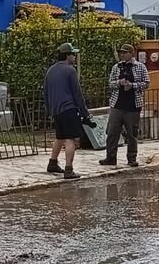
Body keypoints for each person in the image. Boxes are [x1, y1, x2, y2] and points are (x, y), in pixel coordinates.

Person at [43, 43, 94, 180]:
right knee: (70, 139)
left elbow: (46, 93)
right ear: (67, 56)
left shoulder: (50, 70)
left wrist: (49, 111)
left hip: (56, 110)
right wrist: (85, 113)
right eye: (73, 54)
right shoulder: (70, 70)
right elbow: (77, 94)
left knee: (59, 137)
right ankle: (69, 169)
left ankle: (52, 162)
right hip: (69, 108)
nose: (74, 56)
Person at [99, 44, 150, 167]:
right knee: (112, 133)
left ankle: (132, 158)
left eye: (125, 52)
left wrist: (132, 85)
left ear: (131, 53)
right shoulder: (117, 67)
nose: (122, 55)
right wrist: (119, 83)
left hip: (133, 106)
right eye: (121, 53)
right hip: (117, 105)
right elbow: (110, 83)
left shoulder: (140, 67)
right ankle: (111, 157)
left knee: (132, 134)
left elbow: (147, 83)